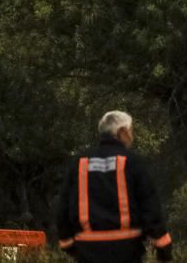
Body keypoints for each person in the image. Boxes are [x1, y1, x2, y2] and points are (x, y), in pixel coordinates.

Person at [56, 111, 173, 263]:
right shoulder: (133, 162)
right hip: (127, 250)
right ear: (122, 132)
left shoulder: (79, 162)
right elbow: (149, 205)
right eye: (131, 131)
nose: (132, 136)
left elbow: (64, 205)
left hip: (87, 250)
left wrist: (67, 242)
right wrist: (162, 244)